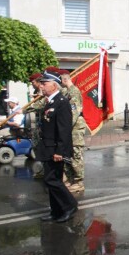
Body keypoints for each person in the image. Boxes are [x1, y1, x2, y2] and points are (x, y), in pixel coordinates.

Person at [37, 71, 78, 223]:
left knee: (52, 180)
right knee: (51, 180)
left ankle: (70, 206)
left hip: (55, 149)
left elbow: (64, 130)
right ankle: (56, 211)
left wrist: (60, 151)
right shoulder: (50, 101)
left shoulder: (62, 102)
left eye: (44, 83)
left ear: (54, 85)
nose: (41, 86)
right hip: (48, 147)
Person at [60, 70, 87, 193]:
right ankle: (71, 180)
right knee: (69, 156)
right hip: (70, 129)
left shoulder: (74, 92)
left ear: (65, 80)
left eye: (61, 80)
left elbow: (74, 113)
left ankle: (79, 182)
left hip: (75, 129)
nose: (60, 82)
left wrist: (64, 128)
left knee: (76, 155)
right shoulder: (66, 92)